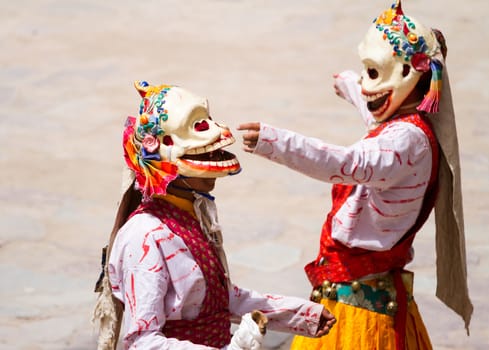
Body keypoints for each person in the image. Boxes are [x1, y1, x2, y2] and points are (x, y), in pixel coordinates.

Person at [237, 1, 473, 349]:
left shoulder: (407, 142)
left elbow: (344, 162)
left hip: (361, 316)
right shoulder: (405, 127)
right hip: (348, 292)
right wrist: (350, 85)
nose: (366, 85)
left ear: (410, 73)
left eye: (373, 73)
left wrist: (275, 142)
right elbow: (376, 121)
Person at [92, 81, 335, 350]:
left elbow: (218, 300)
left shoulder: (191, 218)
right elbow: (142, 341)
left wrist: (301, 314)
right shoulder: (144, 238)